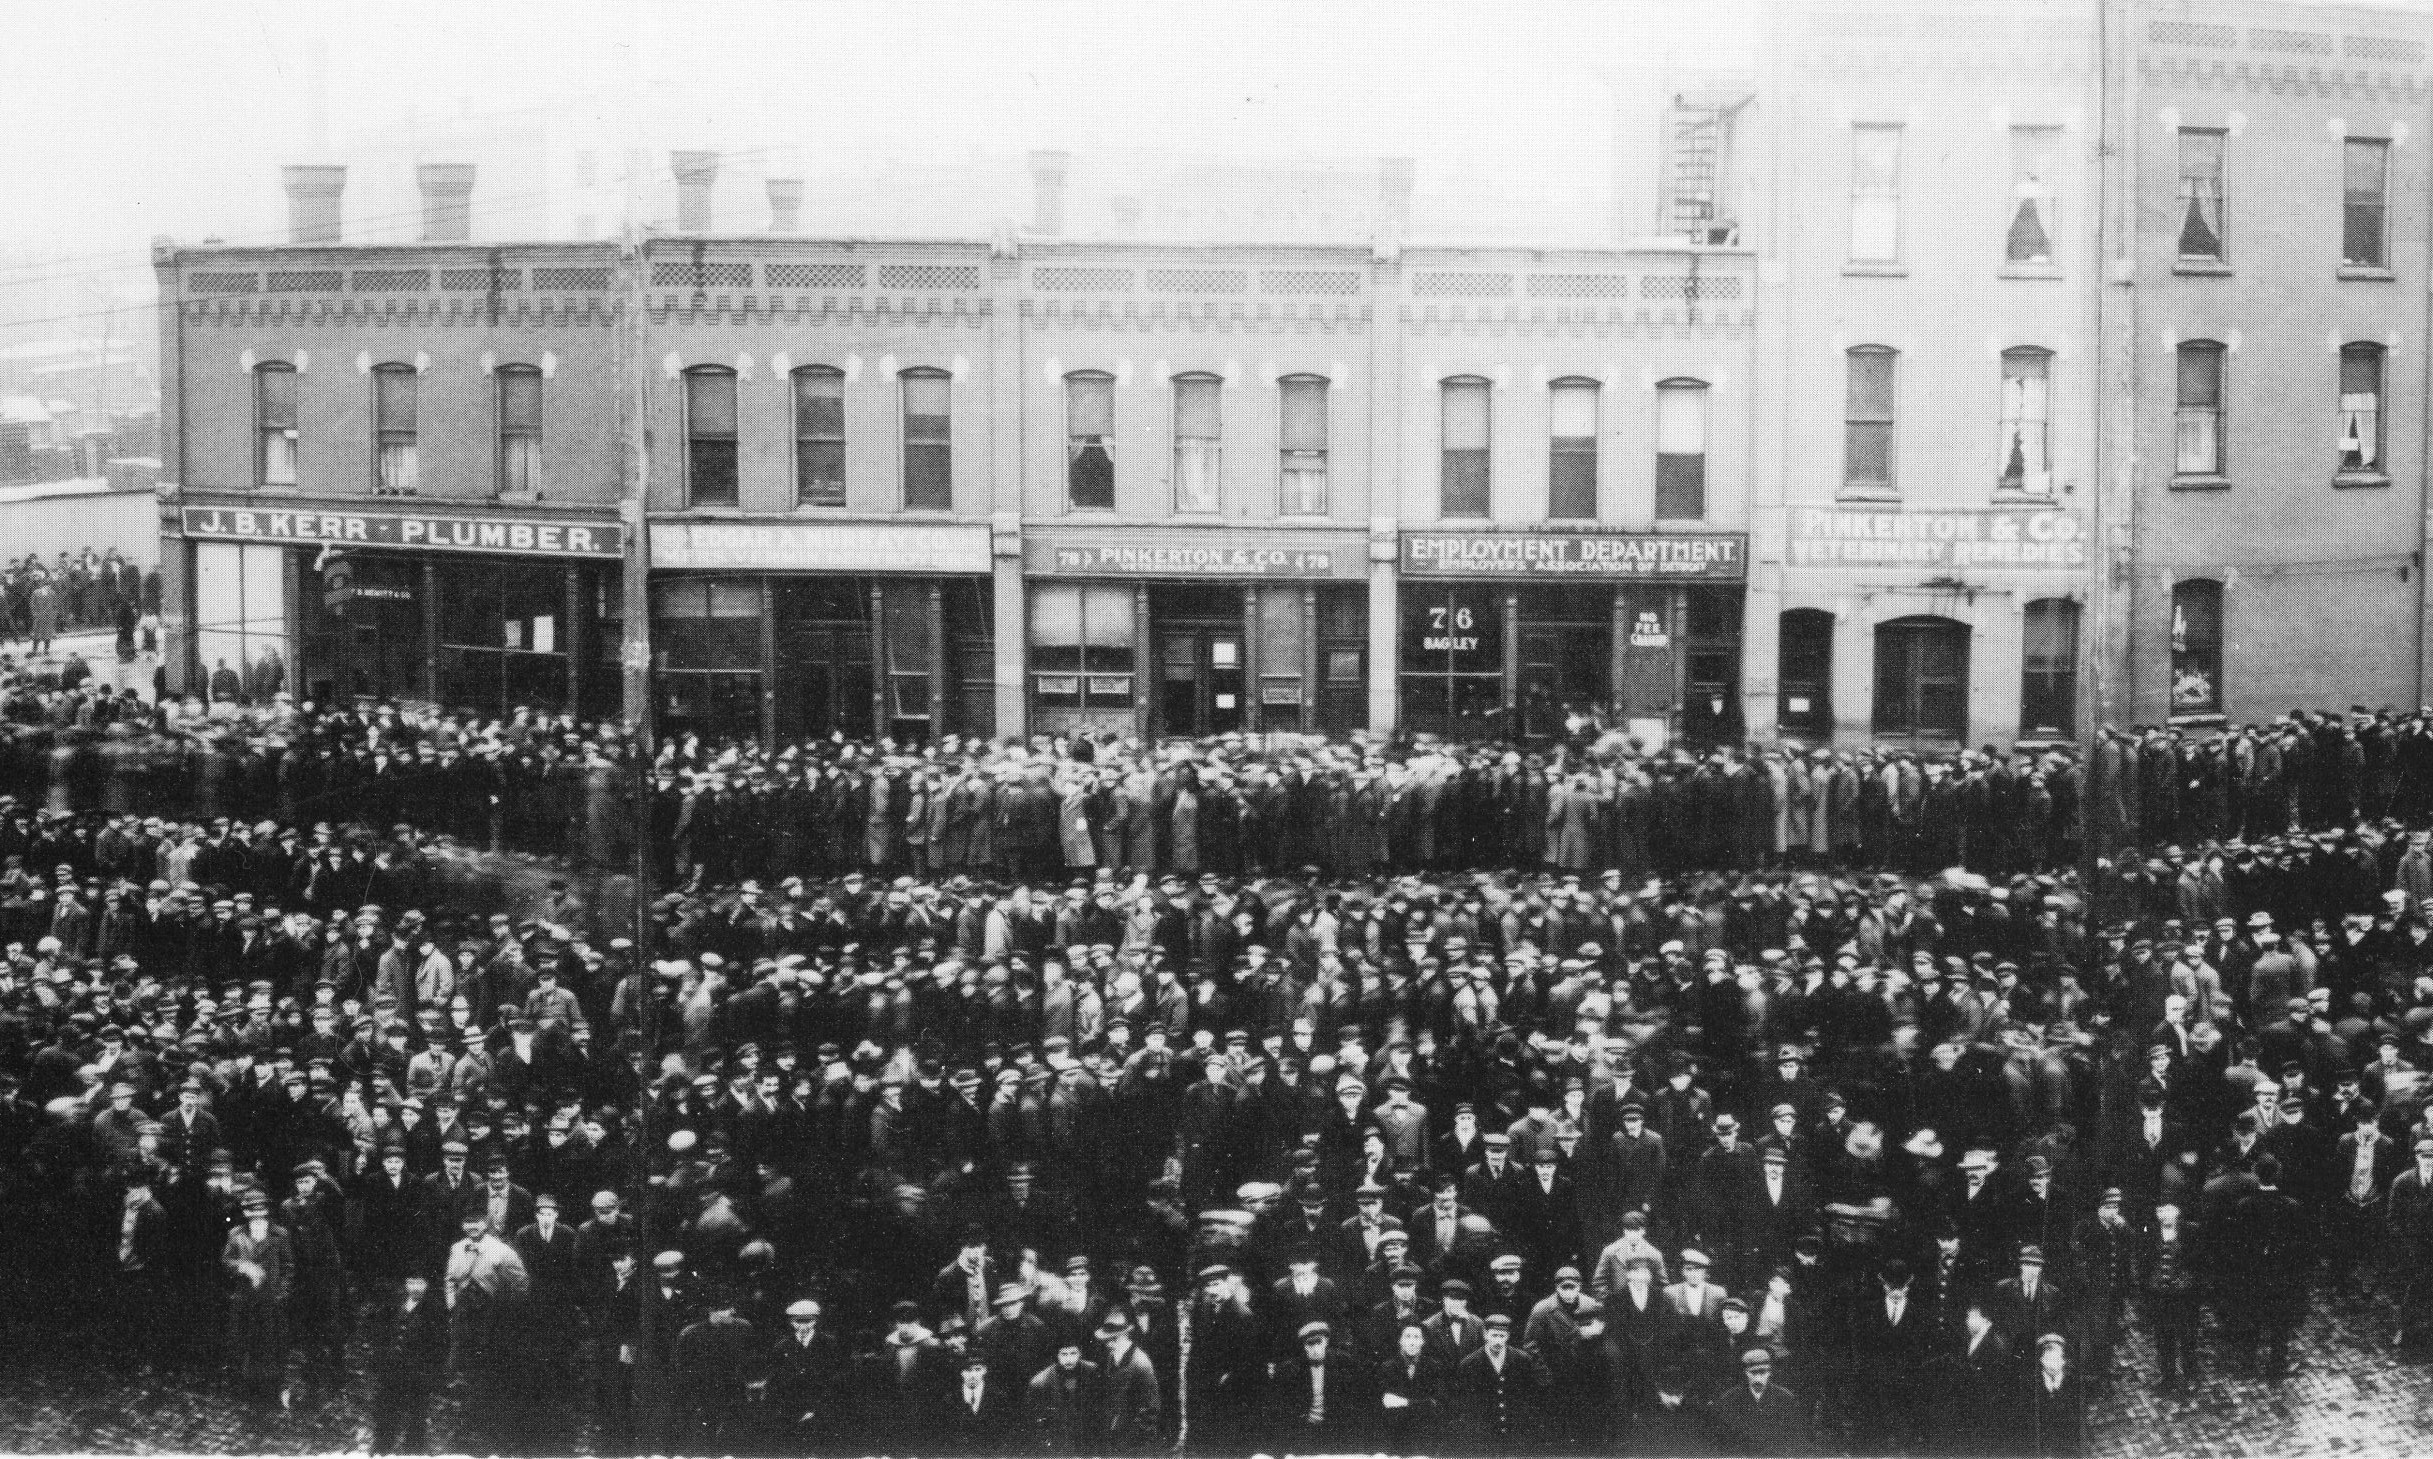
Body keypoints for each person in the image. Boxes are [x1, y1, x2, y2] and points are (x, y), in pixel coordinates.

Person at [220, 1186, 293, 1408]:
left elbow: (288, 1266)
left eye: (261, 1209)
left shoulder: (280, 1234)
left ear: (267, 1210)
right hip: (245, 1298)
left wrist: (281, 1293)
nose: (257, 1214)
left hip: (271, 1299)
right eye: (251, 1210)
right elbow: (226, 1261)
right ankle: (248, 1388)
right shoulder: (235, 1234)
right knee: (245, 1342)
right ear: (245, 1212)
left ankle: (272, 1389)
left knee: (271, 1343)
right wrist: (242, 1266)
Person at [369, 1274, 449, 1454]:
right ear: (406, 1285)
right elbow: (382, 1334)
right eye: (411, 1283)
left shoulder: (434, 1311)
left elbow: (439, 1344)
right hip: (393, 1369)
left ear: (427, 1286)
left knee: (417, 1414)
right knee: (386, 1410)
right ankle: (382, 1448)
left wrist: (431, 1370)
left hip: (418, 1372)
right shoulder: (394, 1306)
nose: (416, 1288)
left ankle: (413, 1450)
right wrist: (383, 1358)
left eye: (420, 1283)